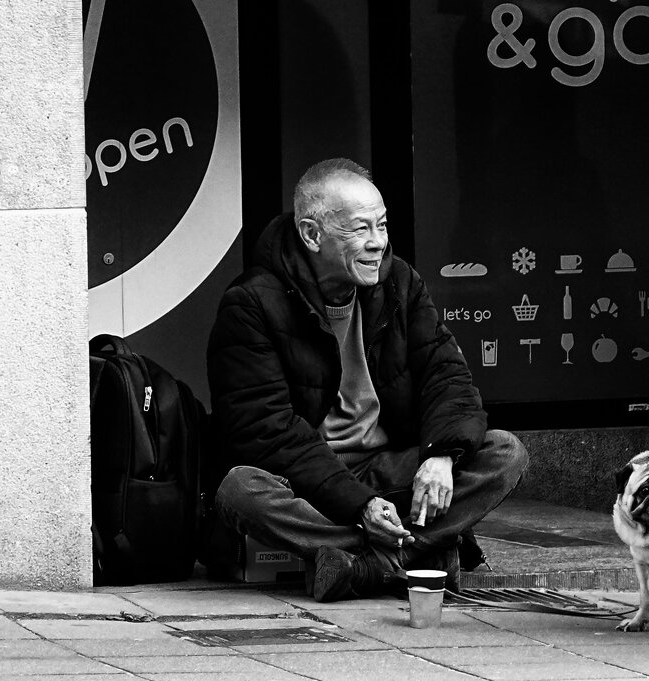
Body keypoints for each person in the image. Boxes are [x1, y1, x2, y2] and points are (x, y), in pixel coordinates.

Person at [206, 158, 528, 602]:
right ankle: (413, 559)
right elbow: (263, 432)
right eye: (361, 230)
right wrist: (359, 506)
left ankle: (361, 567)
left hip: (386, 466)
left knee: (503, 451)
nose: (378, 243)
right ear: (311, 234)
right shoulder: (251, 304)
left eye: (382, 225)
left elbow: (447, 374)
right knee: (240, 489)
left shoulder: (399, 283)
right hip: (308, 480)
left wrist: (442, 456)